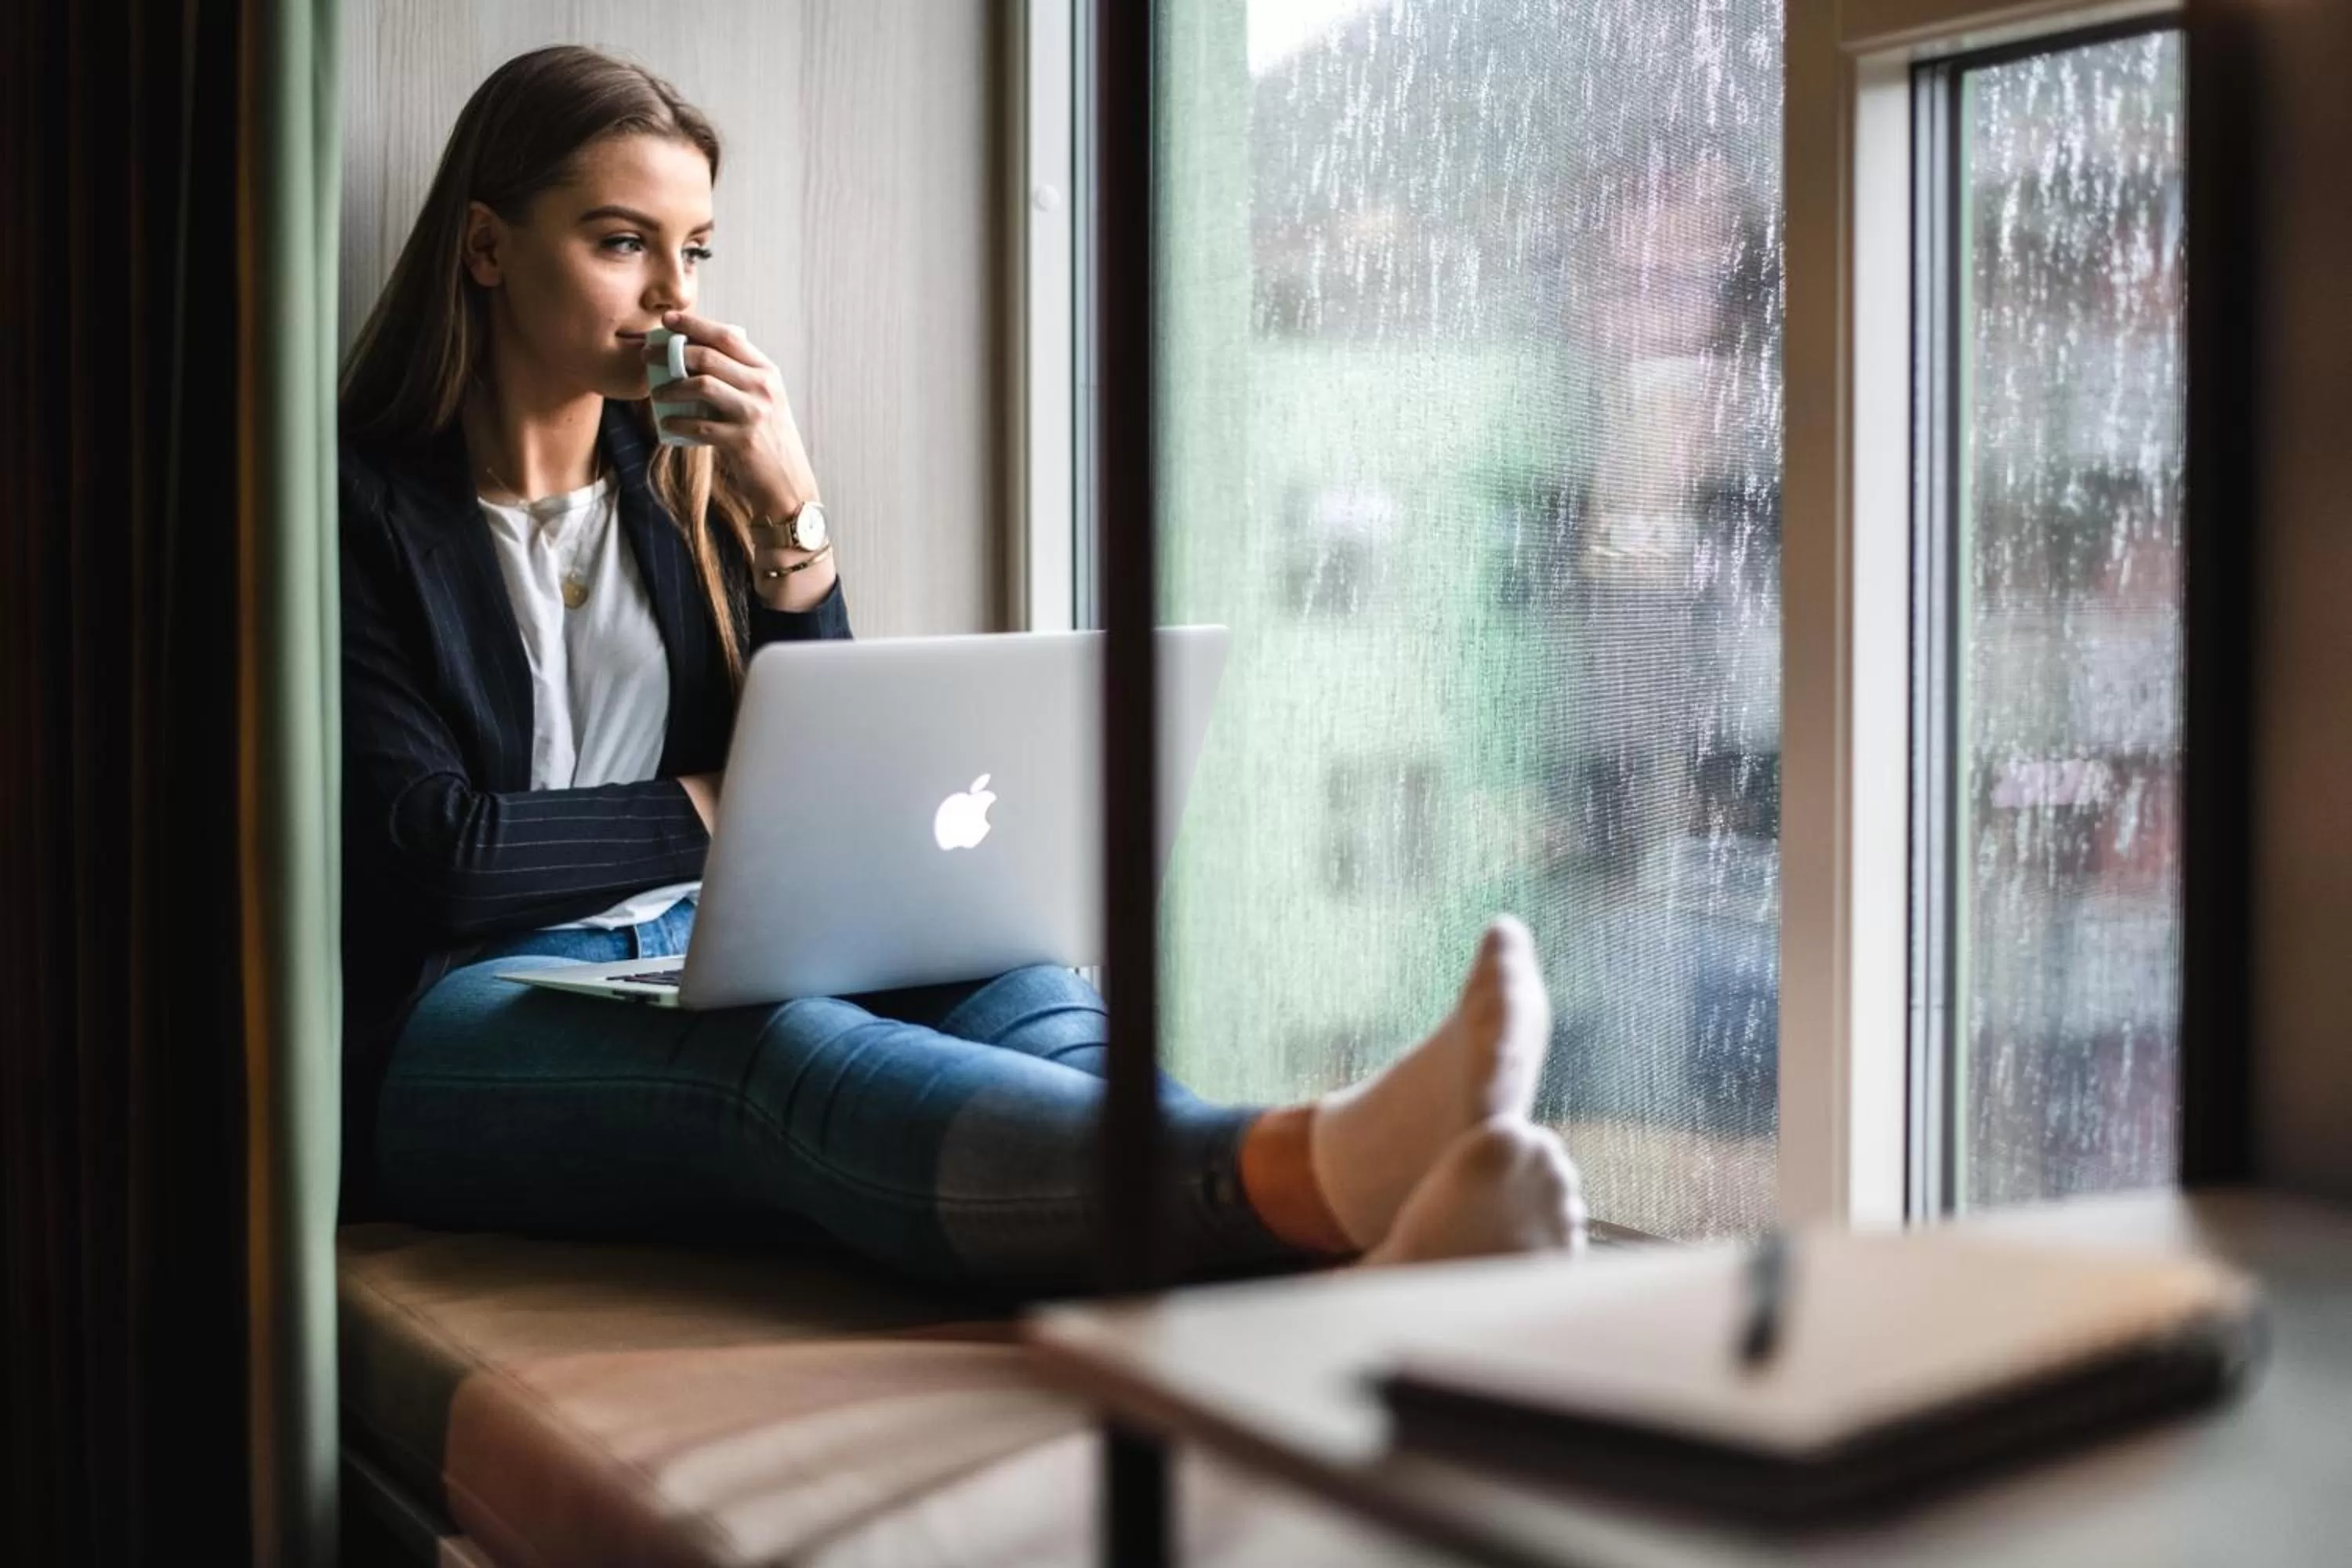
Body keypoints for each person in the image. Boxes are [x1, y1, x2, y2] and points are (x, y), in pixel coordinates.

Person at [336, 44, 1587, 1294]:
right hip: (465, 1012)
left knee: (1025, 989)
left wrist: (792, 514)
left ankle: (1349, 1213)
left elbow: (817, 767)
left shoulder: (683, 486)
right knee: (786, 1049)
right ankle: (1307, 1181)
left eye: (697, 249)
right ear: (489, 247)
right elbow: (433, 855)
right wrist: (710, 811)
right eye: (624, 242)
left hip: (696, 940)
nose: (678, 295)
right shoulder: (354, 510)